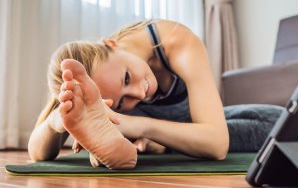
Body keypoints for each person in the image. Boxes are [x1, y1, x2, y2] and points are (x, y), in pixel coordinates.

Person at [28, 19, 283, 169]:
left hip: (197, 126)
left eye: (127, 77)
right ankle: (135, 145)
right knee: (276, 126)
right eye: (120, 103)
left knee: (276, 119)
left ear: (112, 44)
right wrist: (56, 122)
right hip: (187, 135)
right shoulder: (83, 79)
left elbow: (217, 143)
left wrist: (133, 125)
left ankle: (153, 145)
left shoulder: (176, 41)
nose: (138, 93)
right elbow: (38, 153)